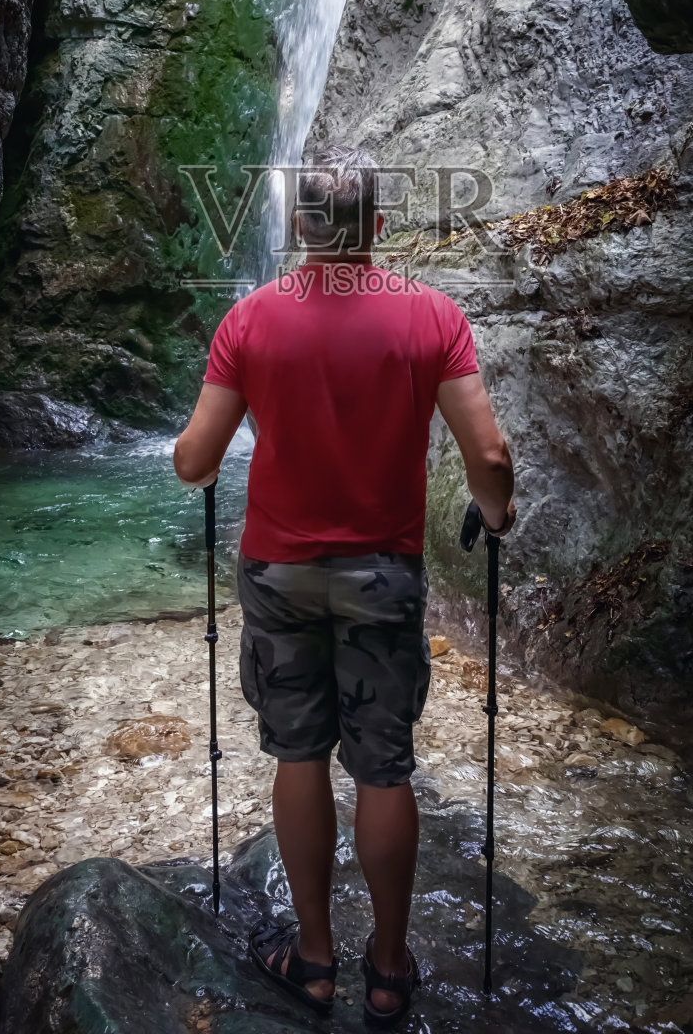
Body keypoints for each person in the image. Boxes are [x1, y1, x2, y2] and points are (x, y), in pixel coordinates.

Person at [173, 146, 515, 1024]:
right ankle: (391, 970)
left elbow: (194, 462)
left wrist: (200, 445)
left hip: (281, 571)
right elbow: (489, 455)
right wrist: (496, 514)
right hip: (383, 571)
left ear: (297, 227)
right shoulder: (431, 316)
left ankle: (315, 959)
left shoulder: (249, 320)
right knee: (383, 766)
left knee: (297, 755)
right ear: (379, 228)